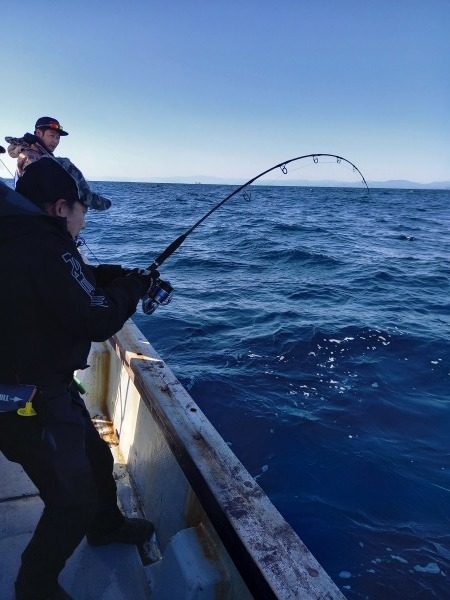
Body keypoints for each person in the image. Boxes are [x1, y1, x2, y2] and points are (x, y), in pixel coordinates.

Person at [0, 158, 156, 600]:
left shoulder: (17, 237)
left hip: (39, 386)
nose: (83, 219)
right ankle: (34, 584)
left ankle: (105, 526)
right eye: (81, 210)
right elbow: (97, 316)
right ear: (60, 208)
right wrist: (132, 289)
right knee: (72, 502)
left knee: (97, 457)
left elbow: (65, 286)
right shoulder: (47, 245)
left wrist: (112, 276)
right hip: (28, 401)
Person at [5, 116, 111, 210]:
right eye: (52, 136)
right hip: (41, 221)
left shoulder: (28, 152)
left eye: (58, 138)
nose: (55, 141)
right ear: (38, 133)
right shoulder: (34, 157)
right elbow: (81, 195)